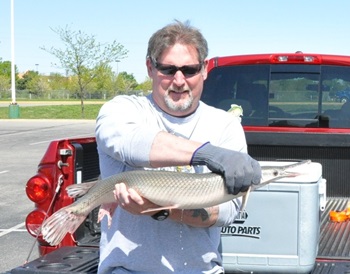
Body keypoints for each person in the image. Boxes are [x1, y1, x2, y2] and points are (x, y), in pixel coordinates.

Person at [95, 20, 261, 274]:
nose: (179, 80)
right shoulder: (122, 111)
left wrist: (161, 210)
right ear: (150, 68)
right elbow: (129, 142)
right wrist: (206, 154)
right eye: (168, 69)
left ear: (204, 69)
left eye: (190, 70)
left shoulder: (225, 126)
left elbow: (227, 211)